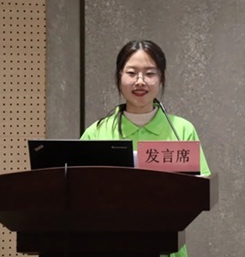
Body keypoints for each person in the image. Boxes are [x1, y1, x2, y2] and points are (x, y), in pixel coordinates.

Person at [81, 40, 210, 257]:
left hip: (167, 248)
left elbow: (200, 189)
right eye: (132, 73)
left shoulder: (181, 129)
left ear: (161, 79)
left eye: (150, 74)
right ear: (119, 77)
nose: (140, 82)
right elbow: (80, 192)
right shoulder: (97, 132)